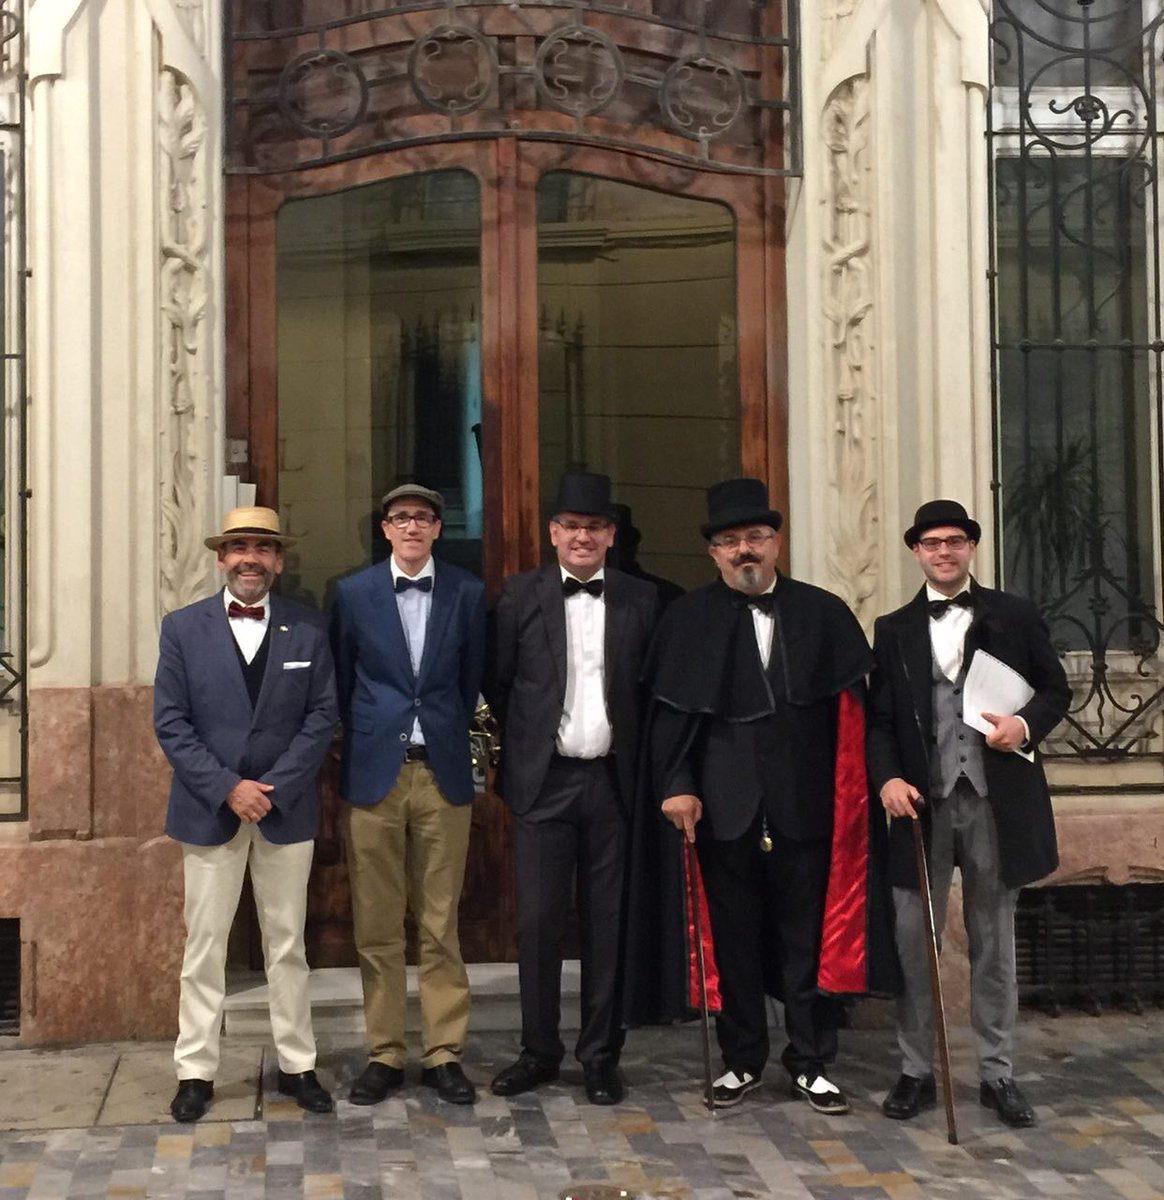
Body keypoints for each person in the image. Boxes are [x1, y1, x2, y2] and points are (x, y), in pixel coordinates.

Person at [627, 478, 897, 1113]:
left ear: (777, 543)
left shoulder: (824, 613)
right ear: (713, 553)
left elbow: (857, 721)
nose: (744, 549)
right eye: (730, 541)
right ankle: (742, 1059)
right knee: (735, 942)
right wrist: (677, 786)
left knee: (807, 939)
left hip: (807, 808)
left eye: (755, 537)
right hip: (723, 813)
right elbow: (670, 722)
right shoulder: (686, 621)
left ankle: (810, 1060)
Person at [867, 499, 1070, 1128]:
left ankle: (997, 1073)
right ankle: (915, 1071)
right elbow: (879, 720)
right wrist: (888, 777)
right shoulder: (893, 627)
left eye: (955, 541)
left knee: (994, 942)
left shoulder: (1014, 614)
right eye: (932, 543)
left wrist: (1023, 725)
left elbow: (1055, 689)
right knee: (913, 941)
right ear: (916, 552)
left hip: (994, 801)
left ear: (971, 548)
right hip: (919, 807)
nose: (944, 552)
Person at [154, 506, 338, 1124]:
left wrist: (272, 789)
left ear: (278, 560)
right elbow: (171, 722)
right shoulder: (182, 629)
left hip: (286, 810)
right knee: (204, 947)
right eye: (239, 548)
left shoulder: (309, 629)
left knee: (287, 944)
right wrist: (229, 788)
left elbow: (322, 716)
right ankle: (195, 1071)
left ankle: (298, 1064)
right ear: (221, 559)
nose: (249, 559)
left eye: (261, 547)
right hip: (210, 810)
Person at [488, 472, 657, 1105]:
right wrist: (524, 754)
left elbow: (649, 689)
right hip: (545, 782)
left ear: (611, 535)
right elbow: (499, 680)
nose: (582, 536)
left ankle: (600, 1055)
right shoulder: (520, 594)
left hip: (614, 783)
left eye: (594, 527)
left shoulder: (643, 599)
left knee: (608, 923)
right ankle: (538, 1050)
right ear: (553, 533)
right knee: (538, 923)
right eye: (571, 527)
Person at [330, 483, 486, 1106]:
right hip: (376, 774)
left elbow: (471, 679)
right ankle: (386, 1052)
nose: (413, 526)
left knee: (441, 922)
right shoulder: (353, 593)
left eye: (424, 517)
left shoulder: (467, 593)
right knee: (377, 922)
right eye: (401, 518)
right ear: (386, 529)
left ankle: (444, 1052)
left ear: (438, 529)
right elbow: (342, 681)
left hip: (442, 771)